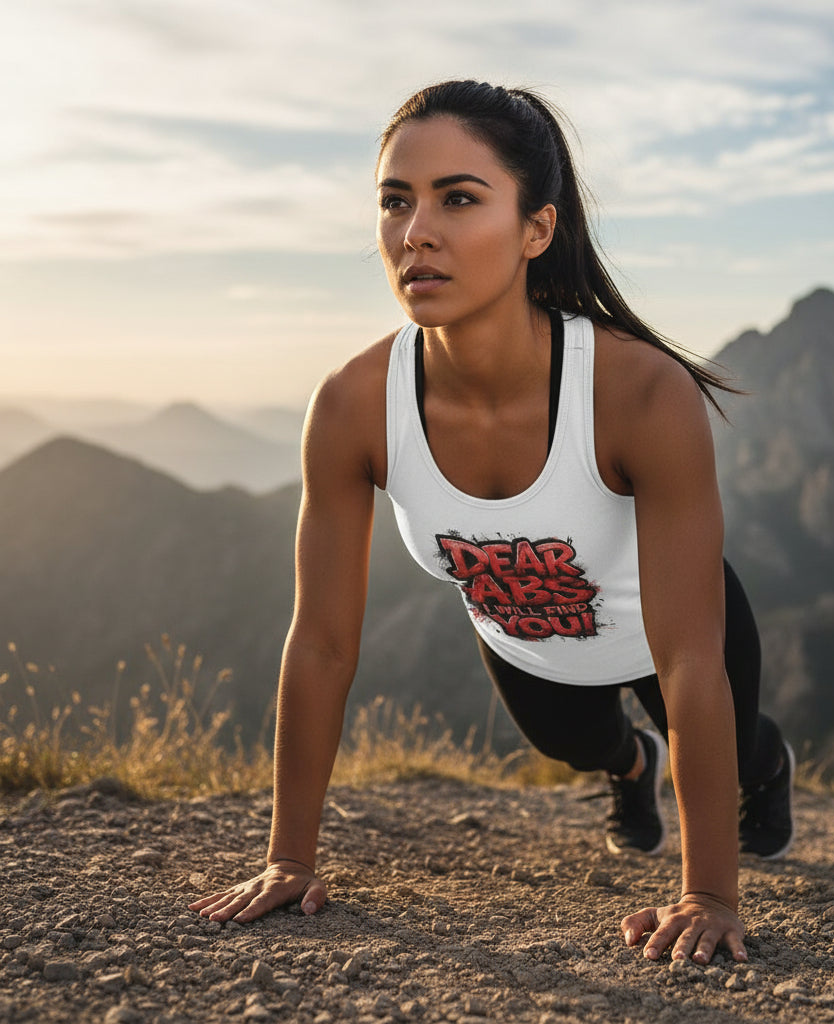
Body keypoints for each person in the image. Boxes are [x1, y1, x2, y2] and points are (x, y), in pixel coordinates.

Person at [189, 80, 795, 965]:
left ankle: (767, 762)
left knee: (724, 750)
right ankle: (632, 771)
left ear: (535, 230)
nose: (415, 231)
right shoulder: (353, 406)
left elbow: (692, 657)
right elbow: (319, 643)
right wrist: (289, 857)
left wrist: (707, 892)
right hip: (527, 642)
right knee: (578, 745)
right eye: (395, 201)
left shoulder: (637, 392)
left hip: (679, 630)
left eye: (459, 198)